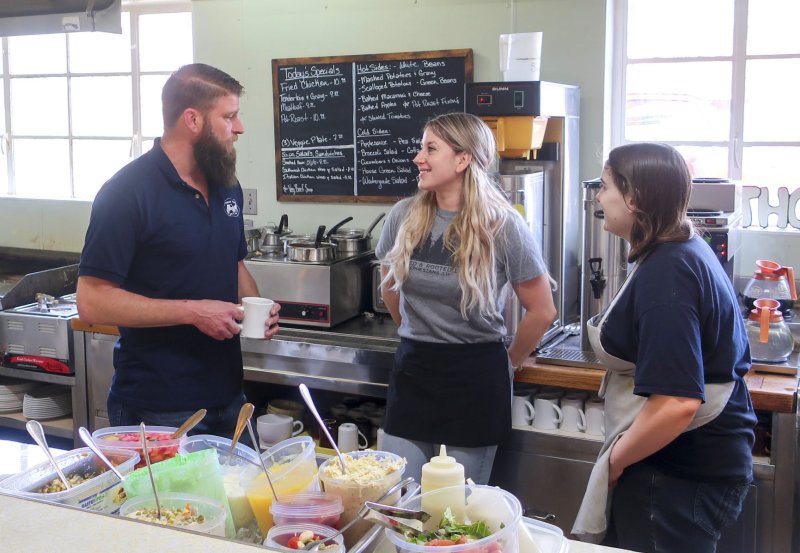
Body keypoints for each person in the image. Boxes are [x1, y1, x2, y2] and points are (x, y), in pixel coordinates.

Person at [76, 63, 280, 437]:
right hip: (157, 406)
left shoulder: (226, 185)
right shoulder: (126, 193)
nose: (240, 128)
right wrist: (192, 312)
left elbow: (233, 264)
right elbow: (91, 302)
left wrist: (257, 308)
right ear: (192, 119)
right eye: (229, 117)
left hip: (229, 397)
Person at [572, 143, 756, 552]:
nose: (599, 197)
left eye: (604, 187)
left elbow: (677, 402)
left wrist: (616, 462)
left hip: (678, 473)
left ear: (634, 198)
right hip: (694, 465)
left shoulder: (668, 271)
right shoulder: (681, 248)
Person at [375, 112, 557, 484]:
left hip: (476, 377)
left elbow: (542, 310)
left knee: (459, 511)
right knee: (400, 498)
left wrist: (508, 364)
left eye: (430, 149)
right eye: (420, 147)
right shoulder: (403, 216)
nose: (418, 158)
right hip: (415, 372)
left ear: (463, 159)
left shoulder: (503, 226)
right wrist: (416, 329)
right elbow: (388, 287)